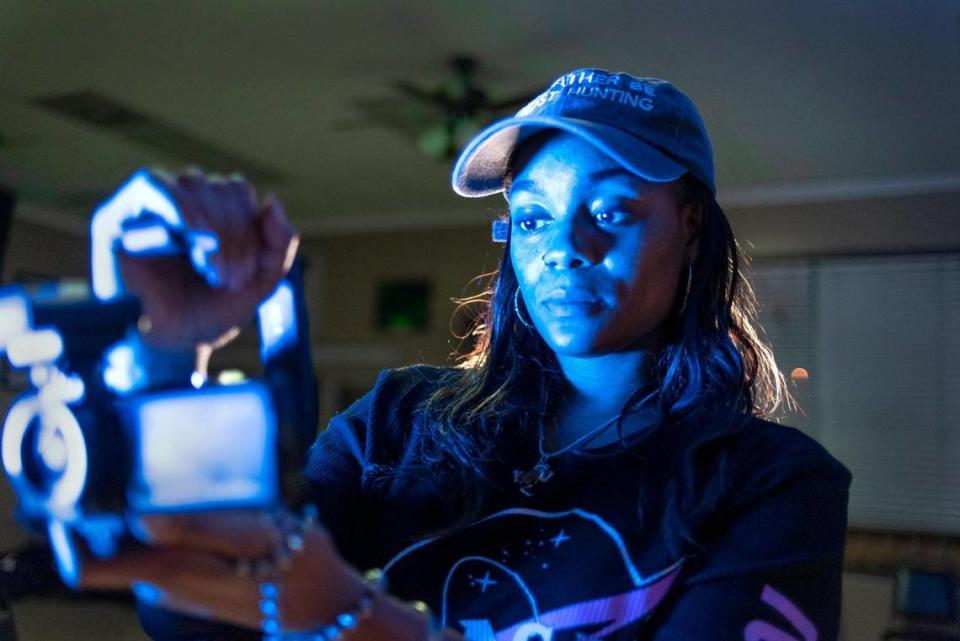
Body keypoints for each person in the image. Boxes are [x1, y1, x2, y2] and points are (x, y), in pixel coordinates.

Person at [79, 68, 851, 641]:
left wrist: (356, 619)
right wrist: (167, 357)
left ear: (689, 228)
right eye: (535, 218)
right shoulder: (395, 423)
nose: (563, 250)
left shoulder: (772, 485)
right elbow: (195, 610)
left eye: (609, 210)